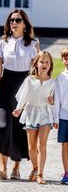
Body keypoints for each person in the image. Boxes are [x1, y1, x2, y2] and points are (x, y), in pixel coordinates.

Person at [0, 9, 39, 180]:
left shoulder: (33, 44)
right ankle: (3, 167)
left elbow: (36, 71)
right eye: (11, 21)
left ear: (24, 24)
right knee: (1, 126)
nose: (13, 23)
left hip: (24, 86)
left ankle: (16, 167)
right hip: (6, 85)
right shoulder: (3, 42)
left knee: (19, 129)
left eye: (17, 20)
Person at [12, 51, 55, 184]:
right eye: (42, 61)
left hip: (45, 114)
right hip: (31, 112)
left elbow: (56, 102)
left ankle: (40, 174)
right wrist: (19, 109)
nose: (44, 64)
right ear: (36, 64)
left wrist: (52, 101)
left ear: (50, 65)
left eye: (47, 62)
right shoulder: (30, 80)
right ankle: (35, 168)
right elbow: (23, 96)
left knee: (42, 144)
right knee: (32, 146)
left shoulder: (53, 82)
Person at [53, 47, 68, 185]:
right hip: (64, 116)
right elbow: (56, 99)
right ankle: (67, 173)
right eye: (65, 58)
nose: (67, 60)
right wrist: (55, 118)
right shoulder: (60, 78)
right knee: (65, 145)